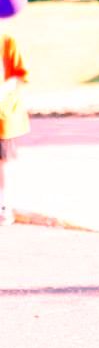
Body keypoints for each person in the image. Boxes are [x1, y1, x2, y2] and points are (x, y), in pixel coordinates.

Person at [0, 25, 29, 226]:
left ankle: (4, 206)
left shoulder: (6, 41)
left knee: (2, 162)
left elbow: (18, 75)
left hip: (3, 113)